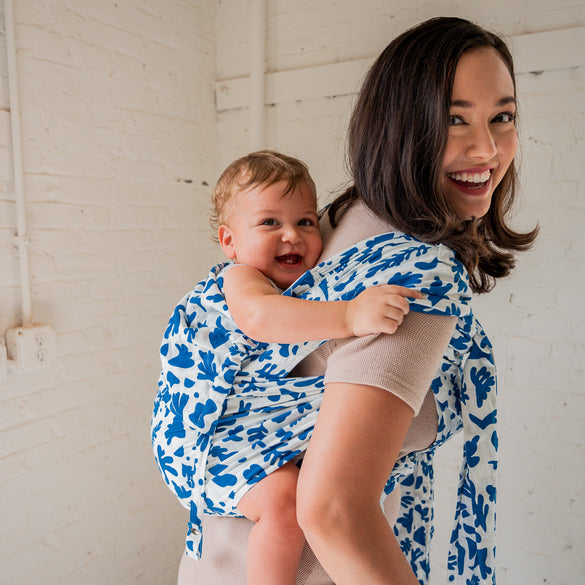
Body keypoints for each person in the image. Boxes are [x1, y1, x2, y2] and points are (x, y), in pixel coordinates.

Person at [152, 150, 421, 585]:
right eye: (269, 222)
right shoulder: (241, 279)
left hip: (242, 430)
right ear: (230, 242)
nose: (292, 235)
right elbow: (262, 318)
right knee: (284, 502)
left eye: (306, 221)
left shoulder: (299, 287)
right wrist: (350, 316)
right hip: (206, 437)